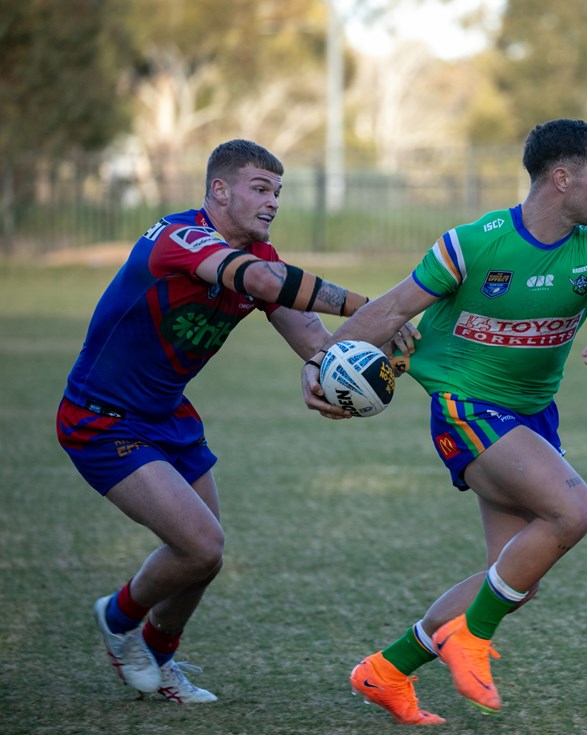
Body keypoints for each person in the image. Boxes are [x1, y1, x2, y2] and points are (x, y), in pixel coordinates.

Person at [301, 119, 587, 725]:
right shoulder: (473, 243)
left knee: (516, 578)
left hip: (533, 416)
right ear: (562, 178)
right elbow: (390, 309)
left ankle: (385, 671)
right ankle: (470, 638)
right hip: (465, 408)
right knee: (574, 510)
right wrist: (318, 363)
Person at [56, 139, 411, 703]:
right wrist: (379, 309)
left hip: (169, 413)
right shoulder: (180, 238)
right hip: (103, 418)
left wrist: (325, 369)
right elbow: (265, 285)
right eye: (260, 189)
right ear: (219, 190)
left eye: (278, 193)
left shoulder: (262, 258)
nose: (273, 203)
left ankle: (160, 657)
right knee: (200, 545)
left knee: (203, 559)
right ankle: (119, 620)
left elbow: (312, 338)